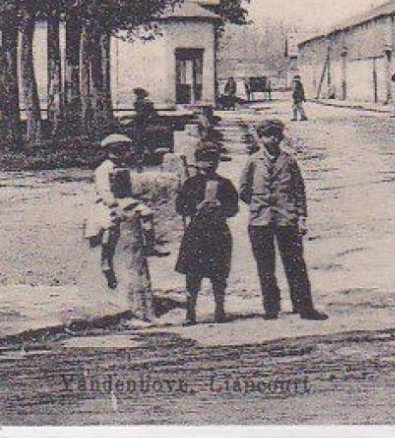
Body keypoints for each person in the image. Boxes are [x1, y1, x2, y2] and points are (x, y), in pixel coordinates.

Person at [239, 119, 326, 321]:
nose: (272, 139)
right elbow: (244, 191)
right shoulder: (253, 161)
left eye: (276, 135)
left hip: (286, 219)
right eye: (268, 135)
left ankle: (304, 307)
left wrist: (301, 216)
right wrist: (259, 205)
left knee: (295, 264)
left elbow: (299, 190)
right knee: (265, 266)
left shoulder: (289, 161)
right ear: (260, 138)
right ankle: (271, 308)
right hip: (260, 221)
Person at [86, 133, 157, 323]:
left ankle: (150, 245)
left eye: (124, 150)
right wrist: (115, 206)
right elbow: (105, 191)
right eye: (120, 150)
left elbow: (127, 190)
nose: (124, 154)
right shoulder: (104, 169)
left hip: (125, 201)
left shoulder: (123, 168)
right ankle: (106, 260)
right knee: (111, 225)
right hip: (108, 203)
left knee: (147, 213)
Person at [174, 142, 239, 325]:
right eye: (204, 159)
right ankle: (190, 312)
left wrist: (222, 206)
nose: (209, 164)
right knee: (193, 274)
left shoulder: (225, 184)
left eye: (212, 159)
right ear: (198, 161)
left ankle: (220, 310)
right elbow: (180, 207)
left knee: (219, 274)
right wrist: (195, 207)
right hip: (197, 231)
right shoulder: (190, 183)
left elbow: (234, 208)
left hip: (218, 232)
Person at [130, 87, 159, 152]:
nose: (137, 97)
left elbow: (142, 114)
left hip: (143, 123)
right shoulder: (145, 103)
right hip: (144, 123)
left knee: (141, 138)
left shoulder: (142, 103)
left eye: (138, 95)